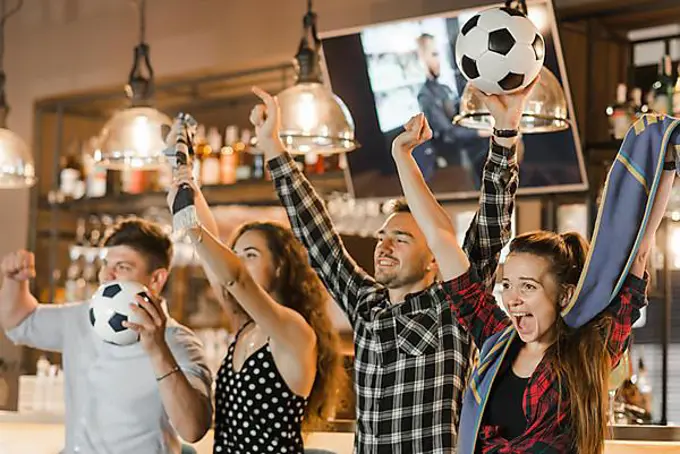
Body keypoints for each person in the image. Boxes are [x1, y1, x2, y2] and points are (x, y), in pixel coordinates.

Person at [247, 80, 535, 453]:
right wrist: (272, 146)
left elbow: (493, 220)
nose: (384, 245)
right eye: (382, 236)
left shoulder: (454, 304)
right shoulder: (366, 305)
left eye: (401, 239)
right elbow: (316, 234)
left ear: (434, 257)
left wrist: (506, 132)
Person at [391, 92, 679, 452]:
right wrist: (402, 157)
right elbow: (441, 237)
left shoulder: (589, 349)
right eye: (507, 284)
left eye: (528, 287)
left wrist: (667, 164)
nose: (512, 298)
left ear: (564, 294)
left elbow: (638, 253)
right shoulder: (498, 339)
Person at [166, 165, 346, 454]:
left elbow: (234, 277)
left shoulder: (293, 330)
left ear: (279, 266)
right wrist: (187, 184)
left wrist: (188, 222)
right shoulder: (246, 324)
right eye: (235, 254)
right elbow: (220, 265)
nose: (238, 262)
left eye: (250, 255)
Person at [0, 219, 212, 453]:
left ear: (156, 279)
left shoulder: (180, 342)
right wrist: (14, 281)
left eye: (122, 267)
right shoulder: (81, 316)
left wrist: (158, 349)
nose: (107, 276)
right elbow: (20, 322)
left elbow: (193, 429)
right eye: (105, 265)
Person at [415, 33, 488, 187]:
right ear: (422, 58)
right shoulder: (425, 95)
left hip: (468, 155)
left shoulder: (444, 89)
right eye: (433, 54)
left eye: (438, 54)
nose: (438, 61)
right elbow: (448, 133)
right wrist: (483, 131)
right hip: (453, 165)